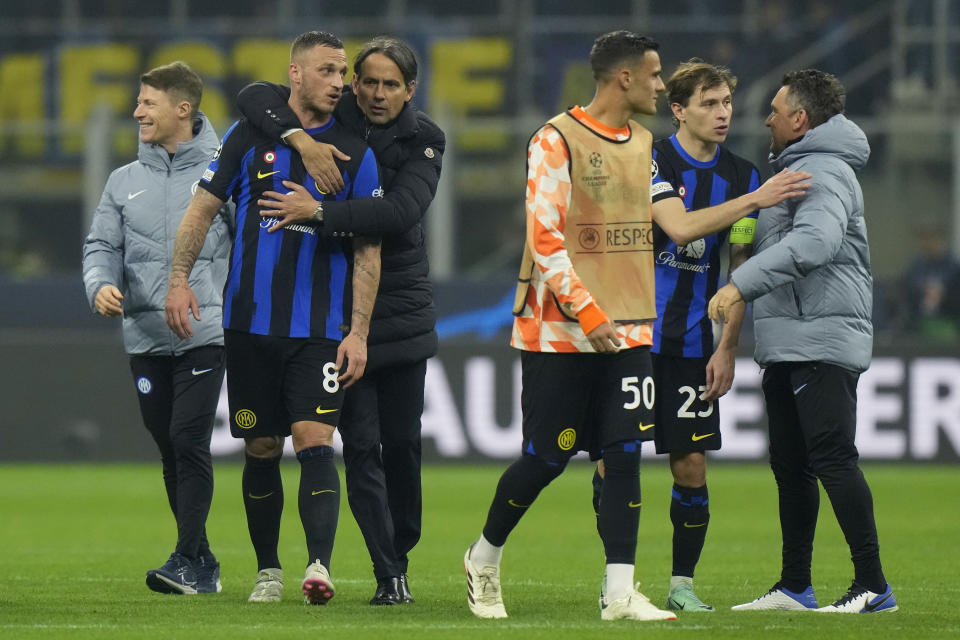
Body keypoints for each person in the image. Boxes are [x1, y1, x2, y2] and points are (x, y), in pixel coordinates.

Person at [462, 30, 810, 622]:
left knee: (624, 453)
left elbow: (674, 224)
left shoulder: (644, 145)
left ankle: (621, 592)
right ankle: (484, 556)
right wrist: (589, 313)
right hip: (560, 331)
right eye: (654, 76)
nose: (659, 84)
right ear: (625, 78)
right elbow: (545, 242)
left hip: (630, 331)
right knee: (547, 458)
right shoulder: (554, 139)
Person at [164, 30, 382, 606]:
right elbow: (203, 208)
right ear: (295, 73)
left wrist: (358, 331)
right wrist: (179, 277)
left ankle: (318, 566)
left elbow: (368, 249)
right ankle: (267, 570)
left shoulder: (356, 151)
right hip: (249, 326)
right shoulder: (248, 136)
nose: (340, 82)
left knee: (315, 440)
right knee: (260, 447)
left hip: (319, 329)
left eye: (343, 72)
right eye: (328, 71)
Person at [233, 36, 444, 605]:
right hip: (335, 316)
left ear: (410, 90)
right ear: (353, 84)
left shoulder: (425, 140)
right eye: (367, 82)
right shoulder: (332, 115)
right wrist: (301, 137)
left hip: (398, 316)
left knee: (402, 447)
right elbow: (255, 96)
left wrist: (320, 210)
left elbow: (399, 213)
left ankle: (400, 551)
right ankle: (387, 573)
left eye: (390, 84)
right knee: (362, 448)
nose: (377, 94)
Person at [709, 69, 898, 614]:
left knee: (833, 459)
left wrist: (737, 285)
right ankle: (795, 586)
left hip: (821, 337)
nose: (765, 117)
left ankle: (873, 585)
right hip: (791, 339)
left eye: (774, 109)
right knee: (792, 467)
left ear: (799, 120)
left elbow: (815, 242)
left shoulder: (822, 169)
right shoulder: (793, 171)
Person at [82, 61, 231, 595]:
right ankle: (203, 560)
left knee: (187, 438)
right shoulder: (123, 180)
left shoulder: (224, 170)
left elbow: (255, 248)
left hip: (203, 332)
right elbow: (101, 245)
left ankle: (185, 559)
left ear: (182, 109)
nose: (137, 111)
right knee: (170, 447)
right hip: (144, 336)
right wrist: (99, 283)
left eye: (147, 102)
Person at [620, 59, 763, 613]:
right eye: (709, 103)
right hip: (632, 335)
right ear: (678, 110)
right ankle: (620, 579)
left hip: (692, 342)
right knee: (619, 456)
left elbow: (740, 267)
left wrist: (728, 346)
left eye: (727, 102)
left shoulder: (744, 175)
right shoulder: (647, 156)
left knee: (692, 463)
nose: (723, 113)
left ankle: (682, 583)